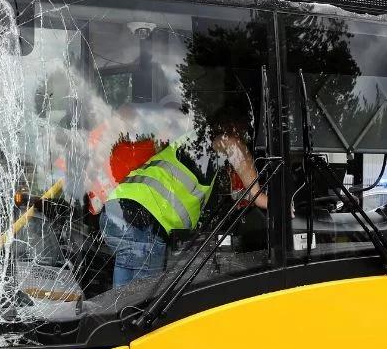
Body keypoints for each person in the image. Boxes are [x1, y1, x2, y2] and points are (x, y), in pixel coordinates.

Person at [99, 106, 267, 288]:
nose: (243, 136)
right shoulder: (205, 141)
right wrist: (260, 197)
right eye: (242, 131)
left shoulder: (191, 146)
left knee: (124, 290)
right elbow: (231, 145)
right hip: (144, 220)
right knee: (142, 296)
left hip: (117, 210)